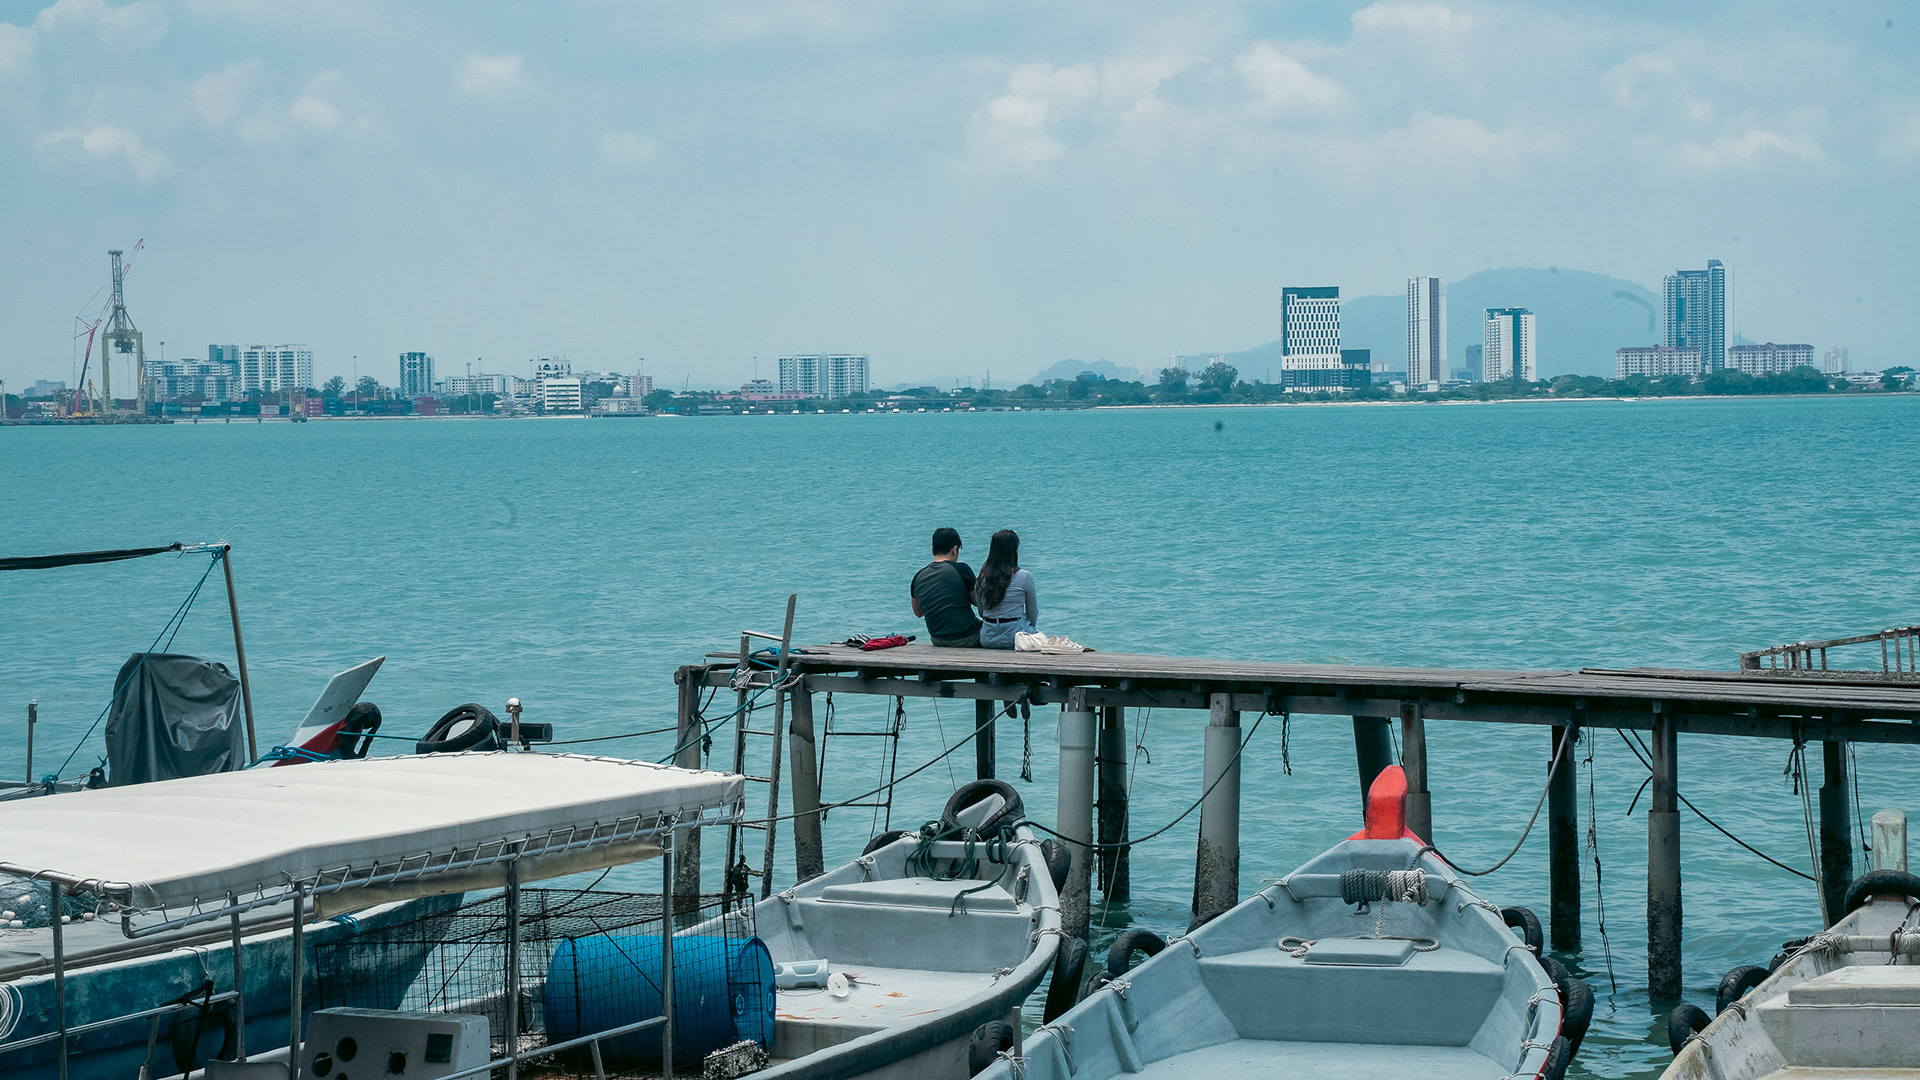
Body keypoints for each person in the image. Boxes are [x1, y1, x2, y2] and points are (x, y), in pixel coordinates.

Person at [910, 527, 982, 648]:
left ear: (932, 551)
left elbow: (918, 612)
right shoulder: (962, 569)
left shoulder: (918, 576)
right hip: (968, 637)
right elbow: (978, 602)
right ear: (955, 550)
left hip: (937, 639)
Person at [973, 529, 1038, 650]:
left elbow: (982, 613)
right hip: (1015, 637)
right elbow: (1032, 614)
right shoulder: (1025, 576)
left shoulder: (981, 578)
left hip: (988, 638)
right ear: (1015, 551)